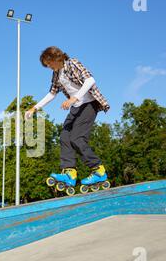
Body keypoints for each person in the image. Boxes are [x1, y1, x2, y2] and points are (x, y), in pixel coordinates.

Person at [25, 46, 110, 190]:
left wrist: (74, 98)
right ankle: (70, 172)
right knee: (65, 135)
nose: (50, 67)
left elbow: (90, 80)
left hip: (89, 104)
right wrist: (35, 108)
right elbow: (52, 93)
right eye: (47, 66)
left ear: (57, 58)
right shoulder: (56, 74)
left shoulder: (72, 63)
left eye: (50, 64)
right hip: (77, 107)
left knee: (77, 138)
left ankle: (98, 170)